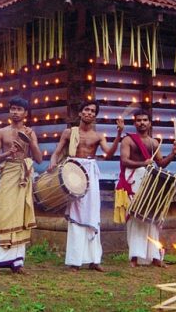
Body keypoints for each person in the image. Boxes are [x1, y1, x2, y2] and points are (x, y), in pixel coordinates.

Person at [49, 101, 123, 272]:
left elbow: (109, 154)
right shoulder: (69, 132)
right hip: (73, 172)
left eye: (93, 111)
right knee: (76, 213)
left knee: (92, 212)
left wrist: (119, 134)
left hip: (90, 172)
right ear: (80, 113)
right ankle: (75, 261)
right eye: (87, 110)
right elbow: (58, 151)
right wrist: (52, 163)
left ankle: (94, 260)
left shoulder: (98, 136)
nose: (89, 113)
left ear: (95, 116)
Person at [0, 96, 42, 277]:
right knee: (2, 214)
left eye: (19, 109)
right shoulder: (2, 132)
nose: (15, 112)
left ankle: (17, 263)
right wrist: (7, 154)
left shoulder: (31, 132)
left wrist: (30, 141)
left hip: (24, 174)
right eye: (12, 109)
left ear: (25, 113)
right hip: (8, 173)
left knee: (20, 216)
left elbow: (39, 159)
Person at [117, 109, 176, 267]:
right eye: (138, 120)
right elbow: (124, 161)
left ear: (149, 123)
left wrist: (173, 154)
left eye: (145, 120)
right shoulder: (128, 140)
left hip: (150, 182)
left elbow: (161, 164)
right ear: (134, 123)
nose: (142, 123)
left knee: (152, 218)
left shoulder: (154, 143)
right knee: (135, 218)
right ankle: (134, 257)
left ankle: (154, 257)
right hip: (133, 181)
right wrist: (142, 164)